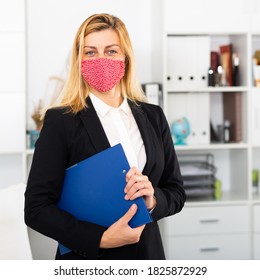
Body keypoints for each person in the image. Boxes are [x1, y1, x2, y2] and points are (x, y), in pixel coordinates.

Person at [24, 13, 186, 260]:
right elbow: (36, 208)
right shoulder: (61, 121)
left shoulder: (154, 116)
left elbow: (175, 192)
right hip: (87, 260)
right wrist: (100, 239)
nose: (101, 60)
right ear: (79, 61)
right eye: (90, 52)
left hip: (148, 255)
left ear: (126, 58)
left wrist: (152, 200)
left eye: (111, 51)